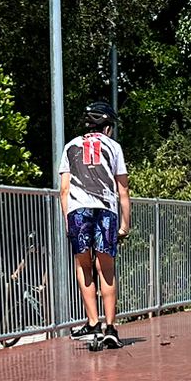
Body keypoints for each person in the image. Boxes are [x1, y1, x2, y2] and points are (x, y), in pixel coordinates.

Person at [60, 102, 132, 349]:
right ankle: (110, 327)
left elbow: (64, 190)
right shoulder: (114, 147)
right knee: (106, 267)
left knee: (83, 265)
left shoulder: (70, 147)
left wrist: (68, 221)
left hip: (78, 210)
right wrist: (125, 223)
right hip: (105, 210)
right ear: (107, 127)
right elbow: (122, 188)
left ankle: (92, 322)